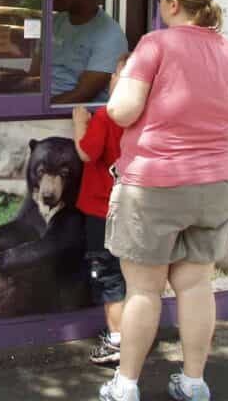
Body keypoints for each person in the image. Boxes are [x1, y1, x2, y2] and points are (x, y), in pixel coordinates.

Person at [98, 0, 228, 401]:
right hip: (218, 184)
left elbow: (122, 111)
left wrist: (117, 87)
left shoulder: (154, 46)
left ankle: (125, 385)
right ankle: (193, 381)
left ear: (175, 3)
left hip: (155, 184)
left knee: (144, 288)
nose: (160, 5)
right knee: (197, 284)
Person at [72, 53, 129, 366]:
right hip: (137, 210)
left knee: (108, 275)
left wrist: (80, 123)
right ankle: (134, 337)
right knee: (133, 276)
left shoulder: (107, 117)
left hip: (101, 210)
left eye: (116, 76)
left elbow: (85, 152)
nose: (111, 80)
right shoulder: (148, 116)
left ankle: (117, 341)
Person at [51, 0, 127, 104]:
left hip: (71, 115)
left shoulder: (109, 35)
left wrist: (34, 109)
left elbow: (82, 94)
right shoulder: (54, 22)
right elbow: (36, 75)